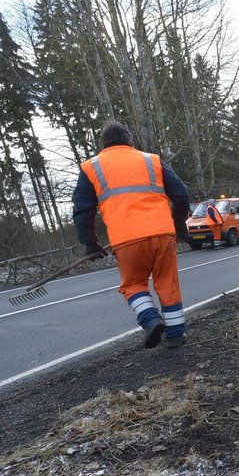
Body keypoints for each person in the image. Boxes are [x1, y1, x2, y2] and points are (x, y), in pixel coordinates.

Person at [73, 120, 191, 349]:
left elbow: (82, 209)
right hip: (162, 232)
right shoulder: (151, 160)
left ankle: (150, 319)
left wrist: (90, 242)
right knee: (167, 284)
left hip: (126, 239)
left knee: (134, 284)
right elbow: (181, 193)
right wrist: (178, 225)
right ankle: (176, 336)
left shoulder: (91, 167)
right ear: (130, 140)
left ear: (103, 144)